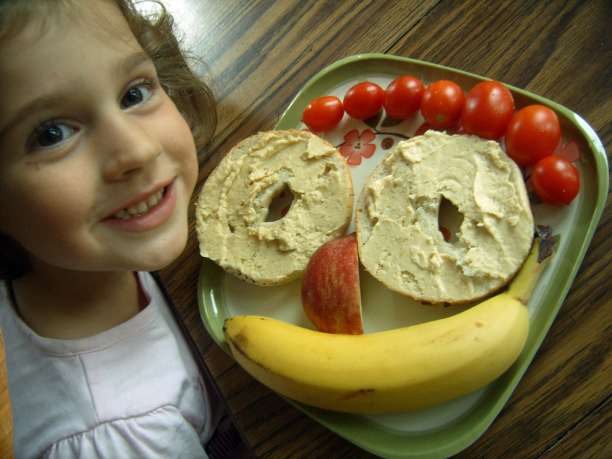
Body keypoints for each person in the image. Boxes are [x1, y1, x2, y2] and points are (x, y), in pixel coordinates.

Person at [0, 0, 226, 457]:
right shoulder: (125, 438)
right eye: (51, 134)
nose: (137, 151)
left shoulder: (78, 248)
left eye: (134, 93)